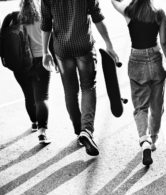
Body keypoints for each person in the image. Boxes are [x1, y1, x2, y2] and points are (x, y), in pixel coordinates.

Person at [41, 0, 119, 156]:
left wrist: (45, 52)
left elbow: (46, 23)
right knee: (88, 86)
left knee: (70, 92)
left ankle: (79, 130)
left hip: (62, 49)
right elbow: (97, 16)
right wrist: (109, 44)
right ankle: (86, 130)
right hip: (84, 46)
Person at [111, 0, 166, 166]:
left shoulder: (129, 11)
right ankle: (153, 140)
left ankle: (144, 140)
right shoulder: (159, 13)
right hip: (155, 60)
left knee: (140, 107)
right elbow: (164, 42)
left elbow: (114, 2)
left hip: (136, 60)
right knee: (157, 104)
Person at [1, 0, 52, 144]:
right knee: (42, 97)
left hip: (21, 63)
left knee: (28, 95)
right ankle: (42, 132)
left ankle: (34, 122)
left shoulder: (11, 17)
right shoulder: (43, 17)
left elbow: (2, 41)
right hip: (41, 61)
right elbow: (52, 39)